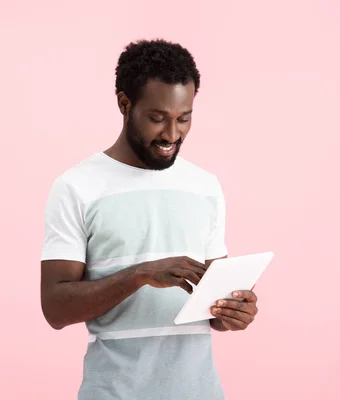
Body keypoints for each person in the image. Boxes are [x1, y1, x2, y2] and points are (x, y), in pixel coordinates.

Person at [40, 39, 260, 400]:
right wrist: (140, 274)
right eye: (158, 119)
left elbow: (212, 310)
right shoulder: (77, 187)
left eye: (184, 118)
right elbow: (55, 307)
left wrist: (232, 311)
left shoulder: (204, 186)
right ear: (125, 104)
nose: (172, 135)